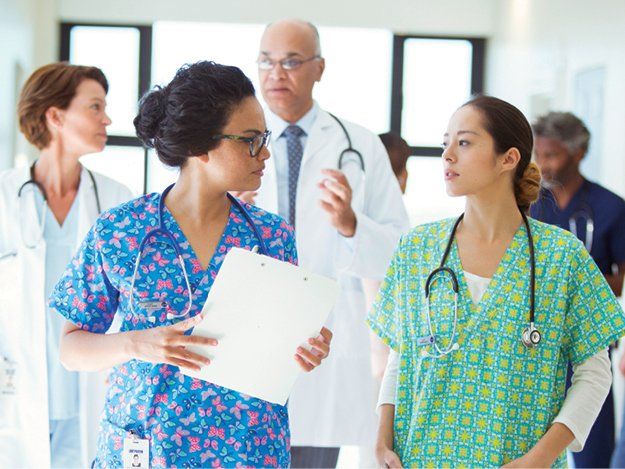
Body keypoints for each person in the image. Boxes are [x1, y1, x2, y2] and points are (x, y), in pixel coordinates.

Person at [49, 61, 332, 468]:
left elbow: (278, 348)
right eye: (250, 140)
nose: (265, 153)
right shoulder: (122, 230)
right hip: (148, 448)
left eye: (264, 138)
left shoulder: (272, 237)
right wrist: (134, 343)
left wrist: (305, 347)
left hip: (248, 450)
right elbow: (71, 349)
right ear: (200, 146)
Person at [369, 95, 625, 467]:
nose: (447, 156)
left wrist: (539, 458)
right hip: (421, 456)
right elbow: (401, 357)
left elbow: (595, 371)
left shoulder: (561, 257)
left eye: (464, 143)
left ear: (508, 158)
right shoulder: (417, 249)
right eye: (445, 143)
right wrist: (381, 441)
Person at [253, 19, 409, 468]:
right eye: (266, 61)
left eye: (291, 62)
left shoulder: (359, 144)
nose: (276, 73)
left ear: (319, 68)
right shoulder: (234, 142)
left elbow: (399, 249)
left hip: (325, 343)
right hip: (252, 330)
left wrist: (350, 225)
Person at [0, 63, 133, 468]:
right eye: (95, 107)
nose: (106, 119)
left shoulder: (116, 200)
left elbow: (135, 296)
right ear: (55, 116)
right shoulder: (4, 198)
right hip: (16, 392)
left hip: (90, 391)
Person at [529, 111, 625, 469]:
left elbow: (621, 278)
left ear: (578, 152)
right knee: (531, 447)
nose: (543, 164)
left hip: (590, 340)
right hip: (535, 341)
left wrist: (575, 282)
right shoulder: (530, 205)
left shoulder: (610, 207)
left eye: (551, 155)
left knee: (593, 453)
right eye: (539, 154)